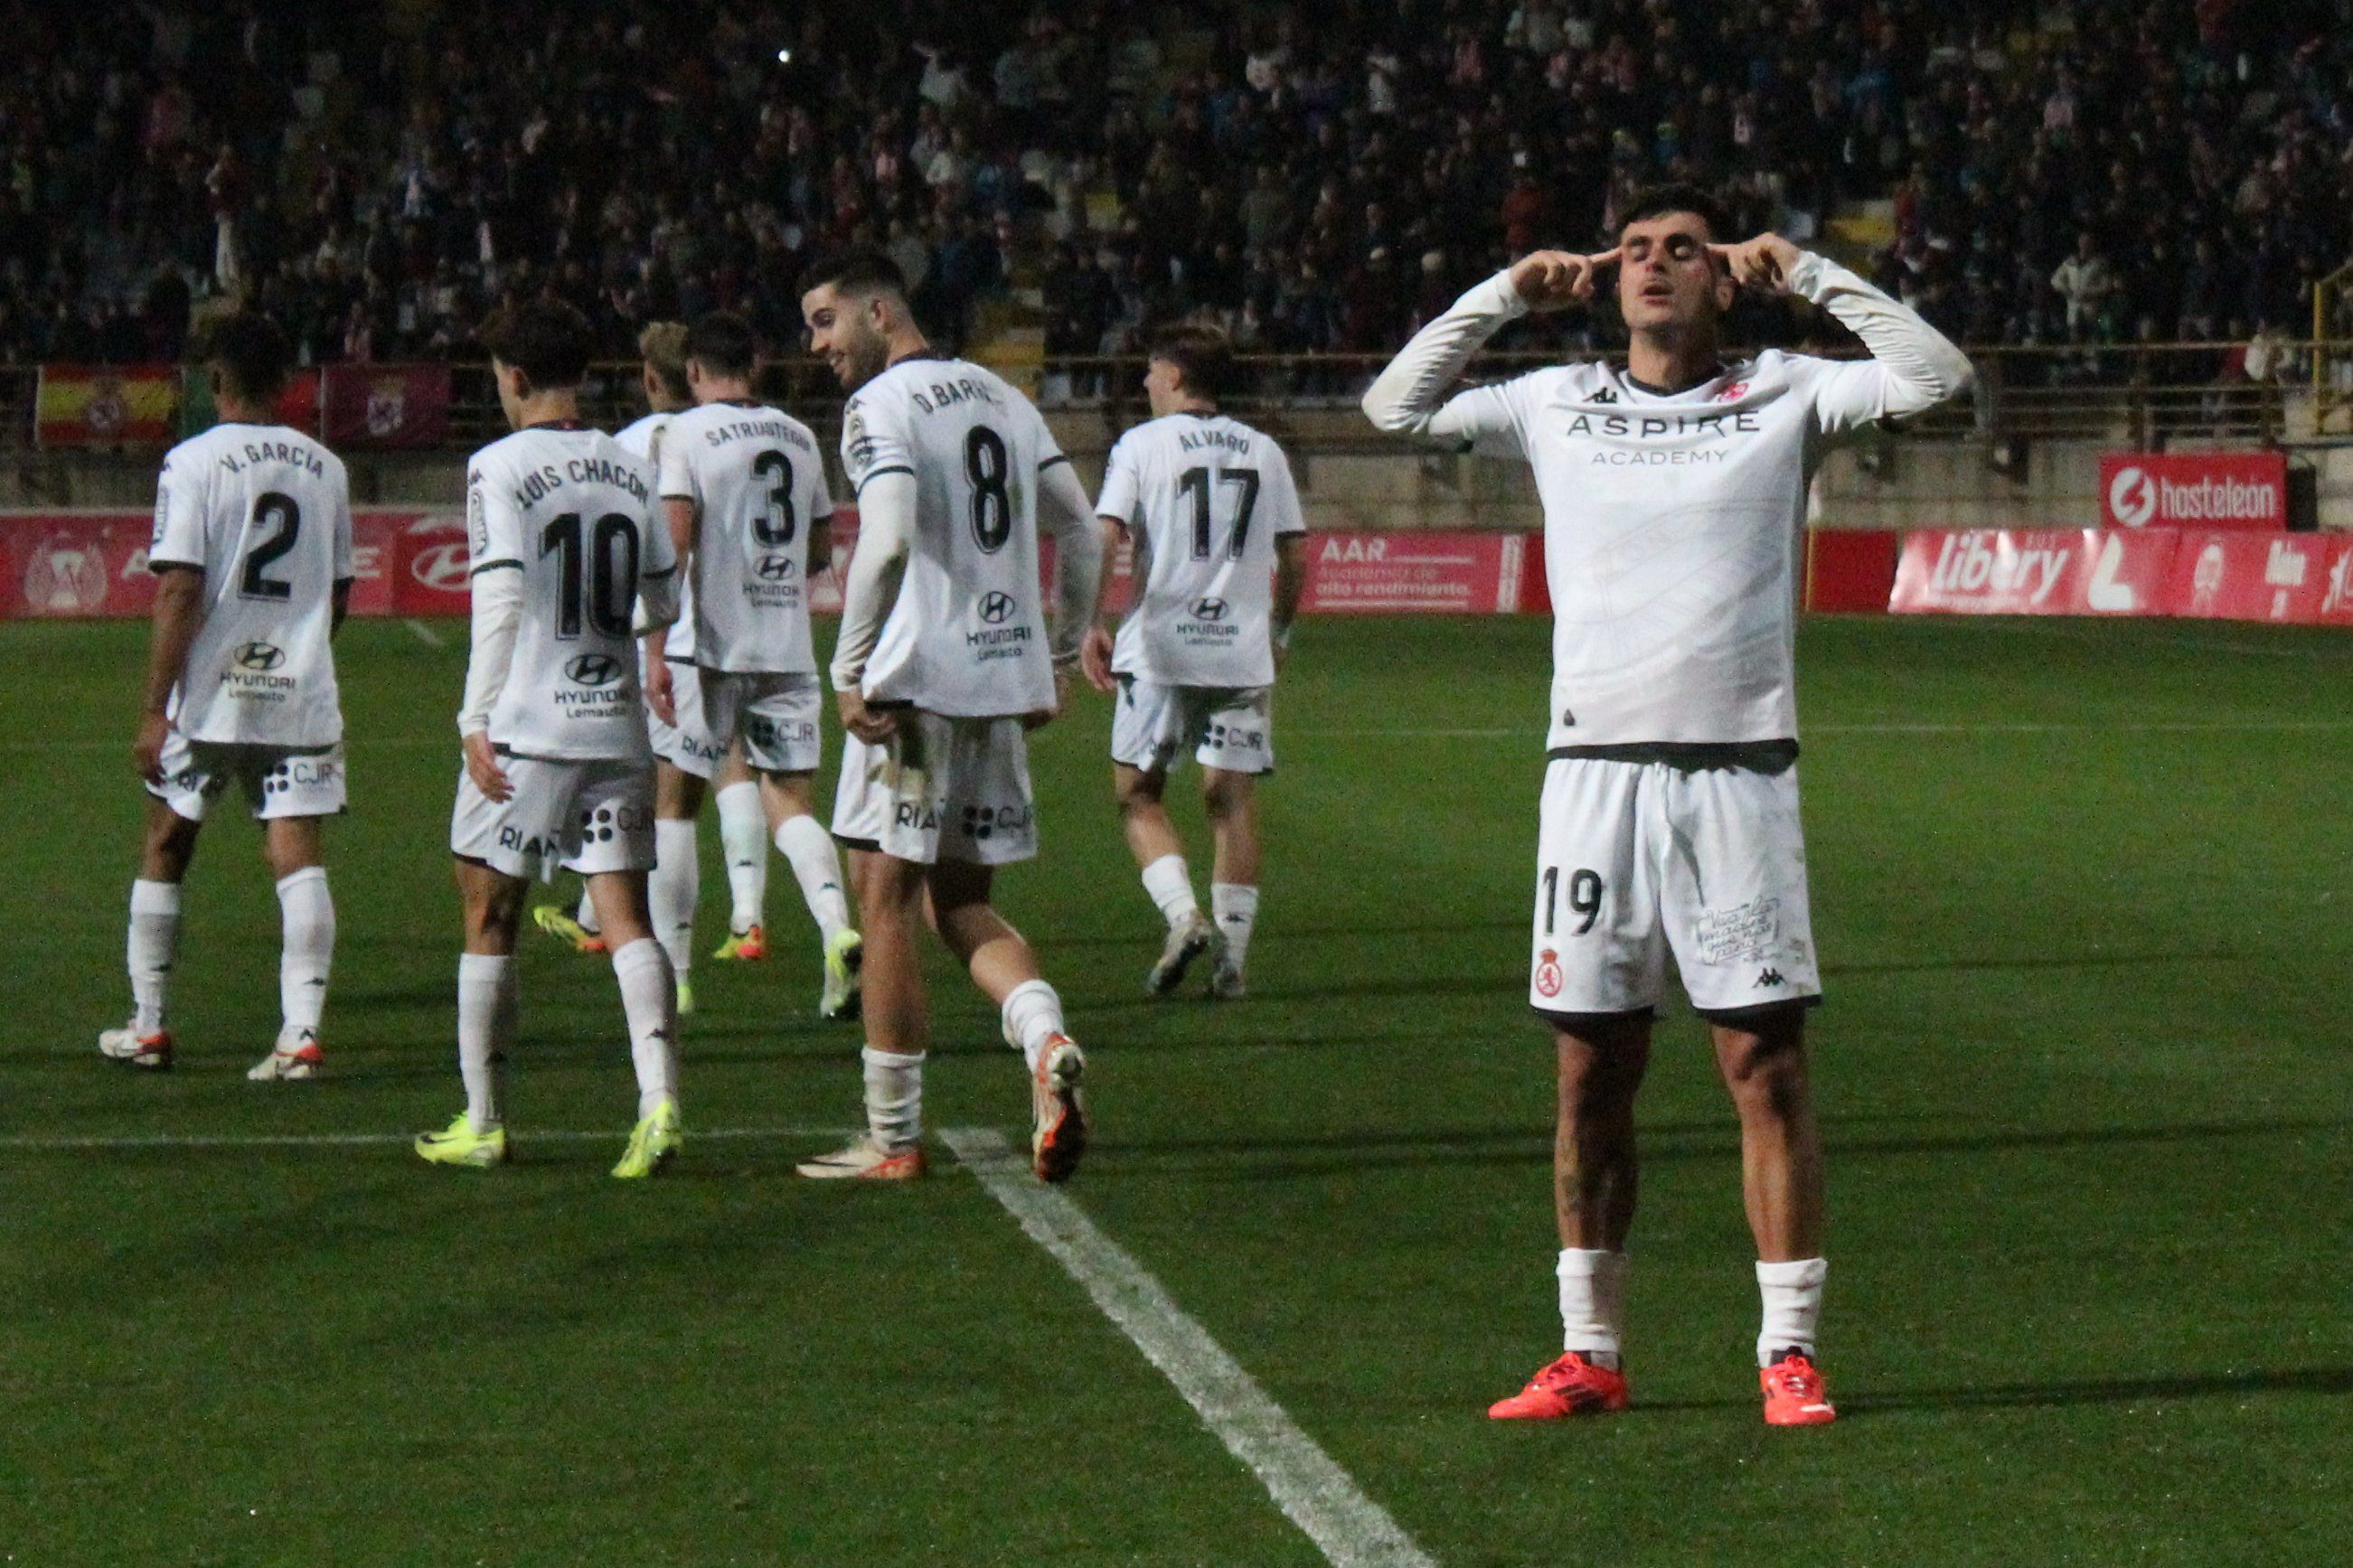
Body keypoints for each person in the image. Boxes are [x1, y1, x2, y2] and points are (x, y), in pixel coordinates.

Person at [1361, 183, 1972, 1426]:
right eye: (1633, 251)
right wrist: (1500, 296)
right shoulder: (1554, 400)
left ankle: (1785, 1350)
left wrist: (1807, 273)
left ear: (1719, 279)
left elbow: (1933, 378)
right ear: (1608, 277)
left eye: (1681, 252)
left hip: (1735, 774)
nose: (1652, 267)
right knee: (1589, 1073)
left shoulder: (1783, 389)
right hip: (1589, 781)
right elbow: (1393, 406)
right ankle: (1588, 1349)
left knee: (1763, 1063)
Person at [793, 249, 1104, 1183]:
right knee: (961, 900)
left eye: (823, 321)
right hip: (1000, 690)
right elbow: (1081, 529)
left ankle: (892, 1140)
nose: (816, 345)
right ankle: (1045, 1041)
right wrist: (1056, 653)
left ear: (878, 312)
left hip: (915, 696)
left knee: (883, 902)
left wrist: (848, 670)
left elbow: (883, 539)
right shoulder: (1003, 398)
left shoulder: (878, 407)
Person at [415, 298, 684, 1178]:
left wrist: (472, 717)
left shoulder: (496, 464)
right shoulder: (628, 464)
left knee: (488, 912)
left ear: (516, 378)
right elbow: (665, 600)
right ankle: (658, 1101)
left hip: (529, 725)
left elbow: (495, 599)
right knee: (625, 917)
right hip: (616, 725)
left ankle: (485, 1120)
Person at [100, 311, 353, 1080]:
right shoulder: (325, 467)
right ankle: (299, 1034)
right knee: (296, 856)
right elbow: (339, 590)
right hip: (297, 692)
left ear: (216, 383)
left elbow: (179, 585)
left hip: (210, 697)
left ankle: (149, 1025)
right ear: (285, 383)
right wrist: (301, 655)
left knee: (168, 842)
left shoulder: (191, 461)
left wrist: (154, 705)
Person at [532, 320, 789, 968]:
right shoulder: (730, 435)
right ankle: (748, 912)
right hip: (739, 624)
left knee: (655, 793)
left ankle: (620, 926)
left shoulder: (624, 447)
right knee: (733, 767)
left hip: (659, 634)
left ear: (652, 378)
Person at [645, 310, 862, 1020]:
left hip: (704, 650)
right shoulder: (800, 436)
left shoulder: (684, 433)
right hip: (786, 648)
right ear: (758, 367)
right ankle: (836, 928)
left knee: (674, 805)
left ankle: (673, 975)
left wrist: (652, 643)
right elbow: (819, 553)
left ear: (695, 374)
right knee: (790, 803)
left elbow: (673, 547)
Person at [1079, 323, 1307, 1000]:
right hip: (1239, 652)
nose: (1145, 385)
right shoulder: (1264, 450)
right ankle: (1232, 964)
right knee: (1230, 797)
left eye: (1150, 372)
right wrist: (1281, 633)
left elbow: (1106, 533)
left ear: (1175, 375)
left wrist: (1091, 620)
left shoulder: (1141, 445)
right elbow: (1294, 553)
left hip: (1160, 647)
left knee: (1137, 793)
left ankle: (1183, 917)